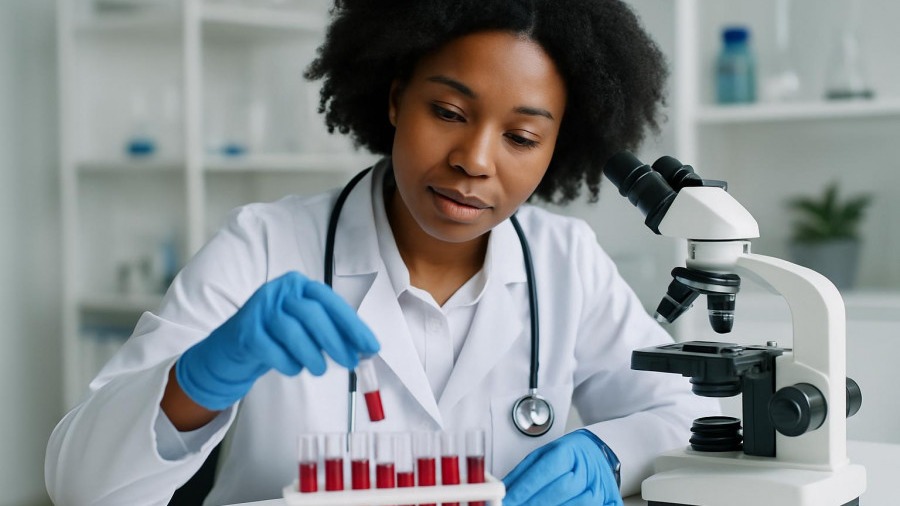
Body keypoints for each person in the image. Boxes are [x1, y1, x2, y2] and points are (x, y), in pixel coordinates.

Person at [46, 1, 715, 504]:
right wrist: (198, 380)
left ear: (558, 147)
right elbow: (79, 483)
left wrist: (608, 449)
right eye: (449, 112)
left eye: (520, 136)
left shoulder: (565, 261)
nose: (473, 160)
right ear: (396, 99)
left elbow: (693, 417)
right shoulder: (264, 245)